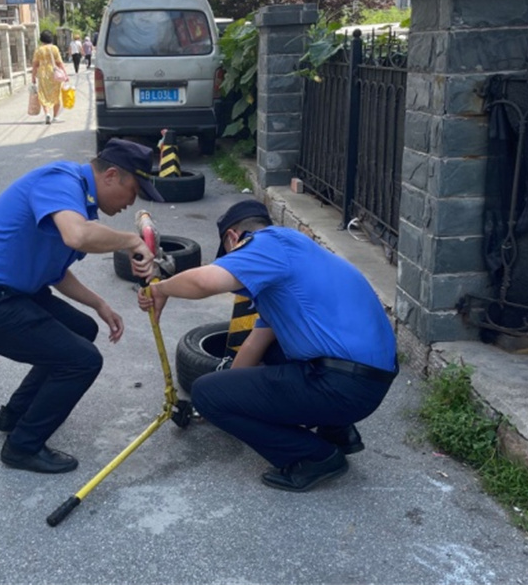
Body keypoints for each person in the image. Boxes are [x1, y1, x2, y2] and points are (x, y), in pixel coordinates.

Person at [138, 200, 398, 492]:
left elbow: (205, 283)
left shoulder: (265, 244)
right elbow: (254, 346)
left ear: (233, 238)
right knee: (270, 353)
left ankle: (315, 457)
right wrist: (226, 397)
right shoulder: (292, 259)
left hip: (344, 385)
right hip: (369, 383)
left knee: (204, 391)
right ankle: (338, 431)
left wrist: (160, 288)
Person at [0, 139, 166, 474]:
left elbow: (54, 272)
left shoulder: (80, 204)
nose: (132, 201)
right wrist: (131, 240)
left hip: (9, 292)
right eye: (133, 190)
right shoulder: (60, 181)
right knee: (82, 361)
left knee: (83, 329)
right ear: (110, 176)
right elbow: (77, 236)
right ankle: (22, 447)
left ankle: (16, 414)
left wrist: (99, 304)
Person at [31, 30, 69, 125]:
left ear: (41, 39)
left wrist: (33, 77)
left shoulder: (39, 50)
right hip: (54, 73)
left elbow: (35, 65)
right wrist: (65, 74)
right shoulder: (54, 49)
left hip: (43, 74)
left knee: (44, 94)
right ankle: (55, 116)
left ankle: (47, 113)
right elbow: (59, 63)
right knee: (56, 94)